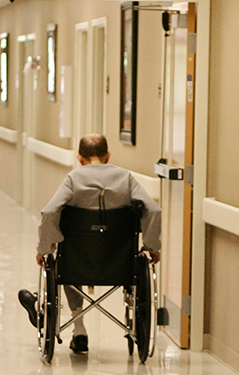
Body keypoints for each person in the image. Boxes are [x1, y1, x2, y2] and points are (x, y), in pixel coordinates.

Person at [18, 133, 161, 355]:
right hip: (121, 263)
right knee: (70, 256)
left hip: (76, 263)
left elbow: (49, 212)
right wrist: (152, 247)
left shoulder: (74, 179)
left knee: (65, 258)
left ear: (79, 157)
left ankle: (78, 329)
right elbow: (153, 210)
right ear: (108, 156)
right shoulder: (125, 178)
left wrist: (45, 250)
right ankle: (60, 319)